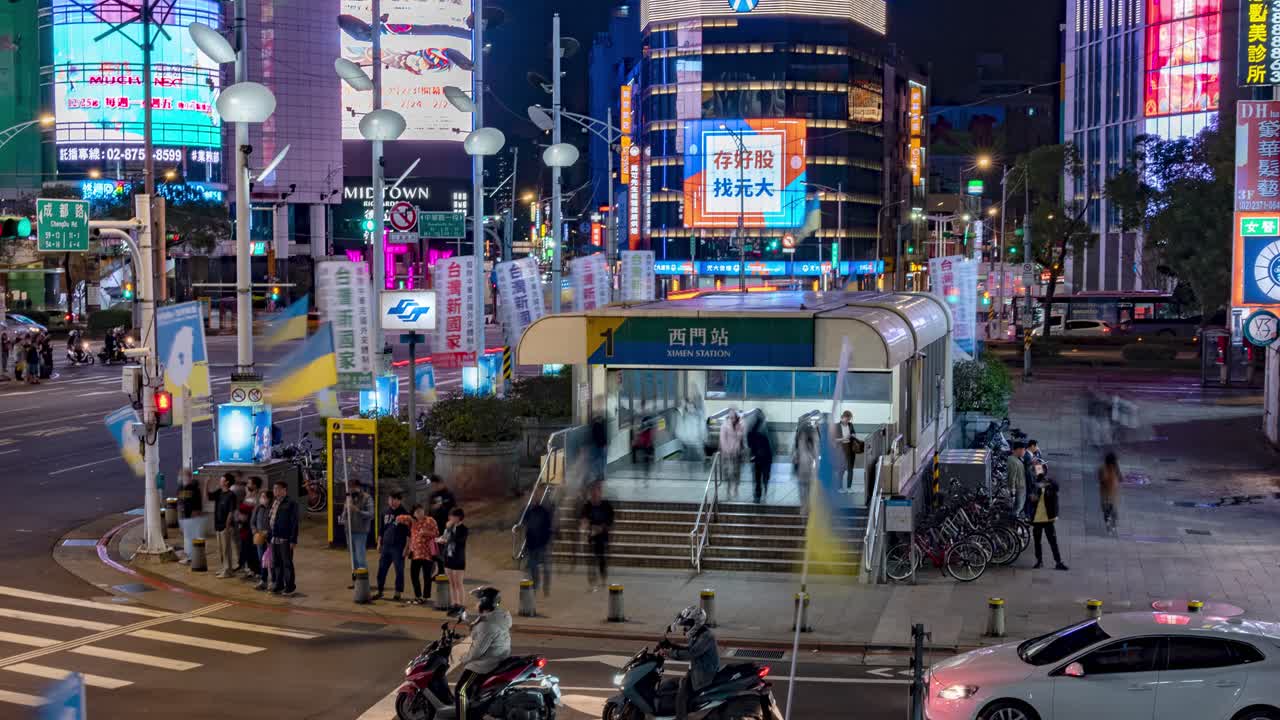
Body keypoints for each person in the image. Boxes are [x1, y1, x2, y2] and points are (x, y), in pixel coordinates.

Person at [455, 587, 512, 720]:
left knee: (461, 690)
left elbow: (477, 652)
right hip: (499, 655)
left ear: (485, 602)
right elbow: (478, 628)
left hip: (486, 663)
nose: (476, 604)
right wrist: (466, 620)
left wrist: (464, 658)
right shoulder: (499, 615)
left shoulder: (487, 625)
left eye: (478, 601)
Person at [662, 606, 721, 720]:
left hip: (704, 674)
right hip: (696, 669)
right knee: (669, 685)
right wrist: (670, 645)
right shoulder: (698, 634)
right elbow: (689, 649)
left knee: (681, 694)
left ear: (696, 623)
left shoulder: (706, 636)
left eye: (687, 624)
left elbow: (691, 653)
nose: (685, 627)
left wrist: (670, 653)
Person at [374, 492, 413, 601]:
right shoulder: (385, 512)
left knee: (399, 570)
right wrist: (379, 543)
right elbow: (381, 529)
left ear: (399, 500)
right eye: (390, 499)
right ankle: (380, 590)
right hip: (386, 546)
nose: (392, 501)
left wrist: (407, 547)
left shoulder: (405, 514)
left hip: (398, 546)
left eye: (394, 499)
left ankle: (398, 592)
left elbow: (409, 533)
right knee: (382, 568)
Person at [1029, 466, 1068, 571]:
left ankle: (1058, 562)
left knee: (1052, 541)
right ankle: (1039, 561)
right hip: (1037, 517)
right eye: (1037, 471)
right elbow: (1031, 498)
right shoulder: (1034, 485)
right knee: (1038, 541)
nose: (1038, 473)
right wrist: (1033, 497)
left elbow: (1057, 487)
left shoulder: (1050, 483)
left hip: (1047, 518)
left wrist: (1048, 482)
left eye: (1040, 471)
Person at [579, 482, 615, 590]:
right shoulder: (587, 506)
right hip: (592, 536)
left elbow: (610, 520)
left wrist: (601, 528)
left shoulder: (606, 505)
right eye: (592, 492)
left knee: (601, 557)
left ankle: (603, 578)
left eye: (596, 491)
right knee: (591, 559)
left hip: (603, 536)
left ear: (600, 493)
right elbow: (584, 518)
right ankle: (593, 581)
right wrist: (585, 525)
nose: (594, 494)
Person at [268, 480, 299, 595]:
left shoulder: (291, 503)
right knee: (276, 562)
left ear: (284, 490)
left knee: (287, 563)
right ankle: (278, 584)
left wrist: (293, 539)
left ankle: (289, 586)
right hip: (274, 538)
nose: (274, 491)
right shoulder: (275, 502)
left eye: (277, 489)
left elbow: (294, 522)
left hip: (285, 538)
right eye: (274, 489)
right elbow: (271, 519)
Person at [437, 507, 469, 615]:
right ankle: (454, 604)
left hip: (458, 559)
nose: (450, 518)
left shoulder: (463, 529)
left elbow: (457, 540)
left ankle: (461, 605)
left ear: (459, 517)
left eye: (452, 516)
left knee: (458, 583)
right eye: (450, 516)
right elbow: (445, 537)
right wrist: (440, 539)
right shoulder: (450, 528)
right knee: (451, 583)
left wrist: (447, 535)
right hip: (448, 558)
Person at [406, 504, 440, 605]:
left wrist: (426, 532)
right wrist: (409, 548)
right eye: (417, 511)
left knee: (426, 576)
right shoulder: (413, 523)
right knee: (414, 575)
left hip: (427, 553)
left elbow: (437, 533)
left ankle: (425, 597)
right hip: (415, 553)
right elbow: (400, 519)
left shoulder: (430, 520)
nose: (420, 513)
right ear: (414, 514)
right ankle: (418, 596)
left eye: (421, 510)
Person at [209, 474, 239, 578]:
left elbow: (231, 511)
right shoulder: (219, 492)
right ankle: (223, 567)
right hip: (218, 524)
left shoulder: (231, 495)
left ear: (227, 482)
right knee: (220, 549)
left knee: (226, 549)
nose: (220, 480)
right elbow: (209, 496)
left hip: (226, 526)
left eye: (222, 479)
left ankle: (228, 570)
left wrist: (227, 525)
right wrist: (206, 483)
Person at [345, 481, 374, 585]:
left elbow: (371, 514)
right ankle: (356, 582)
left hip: (360, 532)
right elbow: (345, 513)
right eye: (350, 488)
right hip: (349, 531)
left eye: (353, 487)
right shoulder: (349, 498)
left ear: (359, 487)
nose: (351, 490)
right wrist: (345, 514)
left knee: (360, 557)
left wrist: (357, 510)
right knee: (353, 559)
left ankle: (364, 582)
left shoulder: (367, 498)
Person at [523, 498, 554, 596]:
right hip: (532, 545)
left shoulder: (543, 511)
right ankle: (535, 589)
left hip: (542, 544)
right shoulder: (527, 511)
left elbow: (548, 527)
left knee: (546, 568)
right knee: (533, 568)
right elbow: (524, 525)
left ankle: (546, 586)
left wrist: (546, 541)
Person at [237, 477, 263, 578]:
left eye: (250, 483)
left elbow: (256, 512)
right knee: (245, 548)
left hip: (251, 527)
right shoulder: (247, 495)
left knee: (253, 549)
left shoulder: (258, 497)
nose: (248, 485)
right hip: (243, 526)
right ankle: (250, 569)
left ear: (255, 485)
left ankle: (258, 571)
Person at [175, 469, 203, 564]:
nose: (182, 478)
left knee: (192, 537)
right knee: (188, 537)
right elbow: (180, 501)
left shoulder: (194, 488)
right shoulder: (181, 488)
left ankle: (192, 557)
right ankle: (190, 556)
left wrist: (195, 513)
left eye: (184, 476)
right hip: (185, 516)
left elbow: (197, 503)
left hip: (192, 517)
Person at [792, 420, 819, 515]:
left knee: (805, 489)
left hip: (805, 470)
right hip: (805, 470)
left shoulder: (800, 441)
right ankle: (805, 507)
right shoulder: (808, 441)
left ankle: (805, 507)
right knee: (805, 489)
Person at [746, 413, 773, 503]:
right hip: (765, 457)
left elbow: (750, 443)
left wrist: (752, 454)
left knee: (757, 477)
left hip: (758, 457)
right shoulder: (765, 429)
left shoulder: (752, 431)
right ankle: (763, 490)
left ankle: (758, 494)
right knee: (763, 476)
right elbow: (771, 443)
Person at [718, 409, 745, 495]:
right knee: (728, 471)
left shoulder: (740, 425)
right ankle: (728, 488)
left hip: (736, 453)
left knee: (736, 471)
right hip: (727, 453)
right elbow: (722, 439)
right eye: (730, 417)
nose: (732, 418)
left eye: (733, 417)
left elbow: (741, 438)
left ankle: (736, 488)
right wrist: (726, 450)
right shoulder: (725, 425)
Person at [250, 489, 272, 590]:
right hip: (259, 538)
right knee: (262, 560)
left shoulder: (272, 509)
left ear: (269, 498)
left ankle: (274, 581)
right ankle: (263, 580)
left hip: (270, 539)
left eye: (264, 497)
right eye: (261, 497)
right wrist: (255, 530)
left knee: (272, 561)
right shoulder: (258, 508)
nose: (261, 499)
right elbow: (252, 522)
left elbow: (274, 523)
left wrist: (268, 532)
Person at [1099, 452, 1122, 535]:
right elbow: (1103, 480)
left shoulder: (1114, 468)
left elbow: (1120, 478)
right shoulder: (1103, 469)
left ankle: (1111, 526)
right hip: (1106, 495)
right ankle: (1109, 526)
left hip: (1111, 495)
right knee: (1107, 512)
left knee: (1113, 513)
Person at [1007, 441, 1028, 518]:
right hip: (1019, 488)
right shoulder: (1013, 461)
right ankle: (1013, 522)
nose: (1024, 451)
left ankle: (1015, 520)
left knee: (1020, 506)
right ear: (1018, 449)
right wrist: (1012, 490)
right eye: (1024, 449)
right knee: (1018, 507)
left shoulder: (1018, 459)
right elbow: (1012, 477)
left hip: (1021, 486)